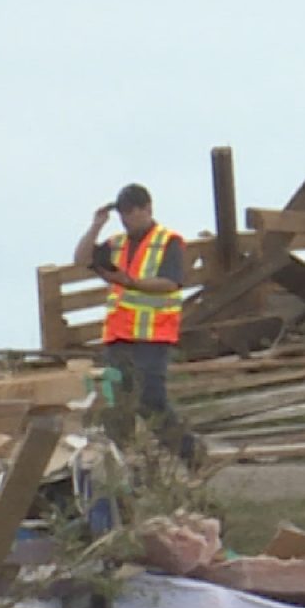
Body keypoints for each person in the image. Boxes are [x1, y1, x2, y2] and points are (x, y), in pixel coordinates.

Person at [75, 183, 196, 459]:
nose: (126, 219)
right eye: (123, 214)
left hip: (154, 337)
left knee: (151, 401)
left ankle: (188, 454)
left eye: (131, 212)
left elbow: (170, 282)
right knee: (117, 404)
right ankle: (126, 464)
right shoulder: (117, 243)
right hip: (118, 338)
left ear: (147, 209)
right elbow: (81, 259)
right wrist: (96, 226)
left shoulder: (168, 241)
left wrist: (130, 282)